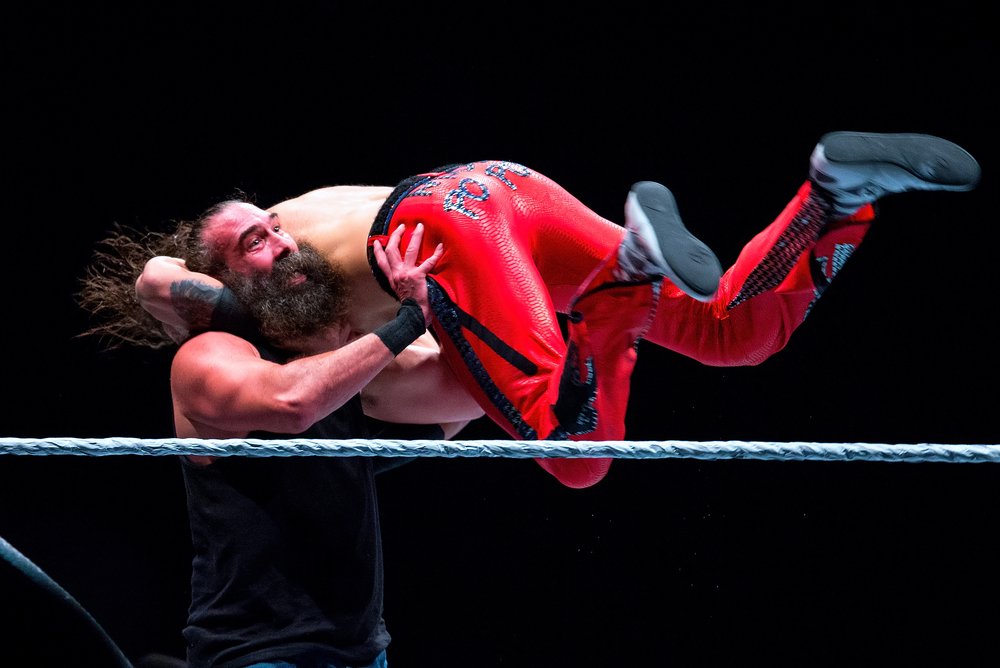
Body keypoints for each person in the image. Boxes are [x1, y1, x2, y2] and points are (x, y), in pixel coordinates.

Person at [84, 130, 981, 492]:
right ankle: (835, 191)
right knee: (731, 335)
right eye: (253, 243)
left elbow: (157, 278)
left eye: (264, 226)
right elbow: (445, 395)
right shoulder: (365, 381)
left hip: (440, 219)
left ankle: (626, 276)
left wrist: (209, 282)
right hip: (505, 191)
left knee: (579, 461)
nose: (274, 239)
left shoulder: (256, 310)